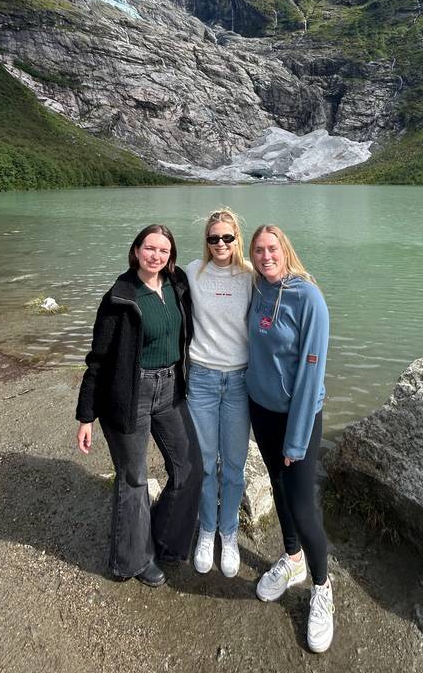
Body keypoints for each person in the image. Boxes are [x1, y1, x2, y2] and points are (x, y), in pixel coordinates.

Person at [76, 224, 203, 587]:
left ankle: (163, 536)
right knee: (134, 479)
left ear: (170, 257)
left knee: (191, 467)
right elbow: (97, 359)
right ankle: (131, 560)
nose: (156, 256)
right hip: (129, 394)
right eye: (150, 248)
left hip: (171, 389)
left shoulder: (177, 286)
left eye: (163, 251)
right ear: (136, 251)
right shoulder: (120, 296)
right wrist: (86, 416)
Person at [246, 224, 334, 653]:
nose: (266, 257)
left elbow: (311, 374)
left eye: (272, 249)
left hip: (298, 416)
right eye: (258, 250)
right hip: (261, 411)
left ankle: (322, 585)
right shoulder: (255, 288)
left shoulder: (308, 298)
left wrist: (297, 441)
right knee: (279, 489)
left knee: (302, 504)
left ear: (286, 251)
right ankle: (292, 559)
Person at [185, 208, 253, 577]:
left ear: (237, 239)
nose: (221, 244)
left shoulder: (250, 276)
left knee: (234, 466)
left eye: (227, 238)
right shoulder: (194, 272)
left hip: (240, 381)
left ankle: (229, 533)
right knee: (205, 462)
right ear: (206, 242)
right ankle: (206, 530)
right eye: (214, 238)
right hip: (203, 379)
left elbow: (282, 288)